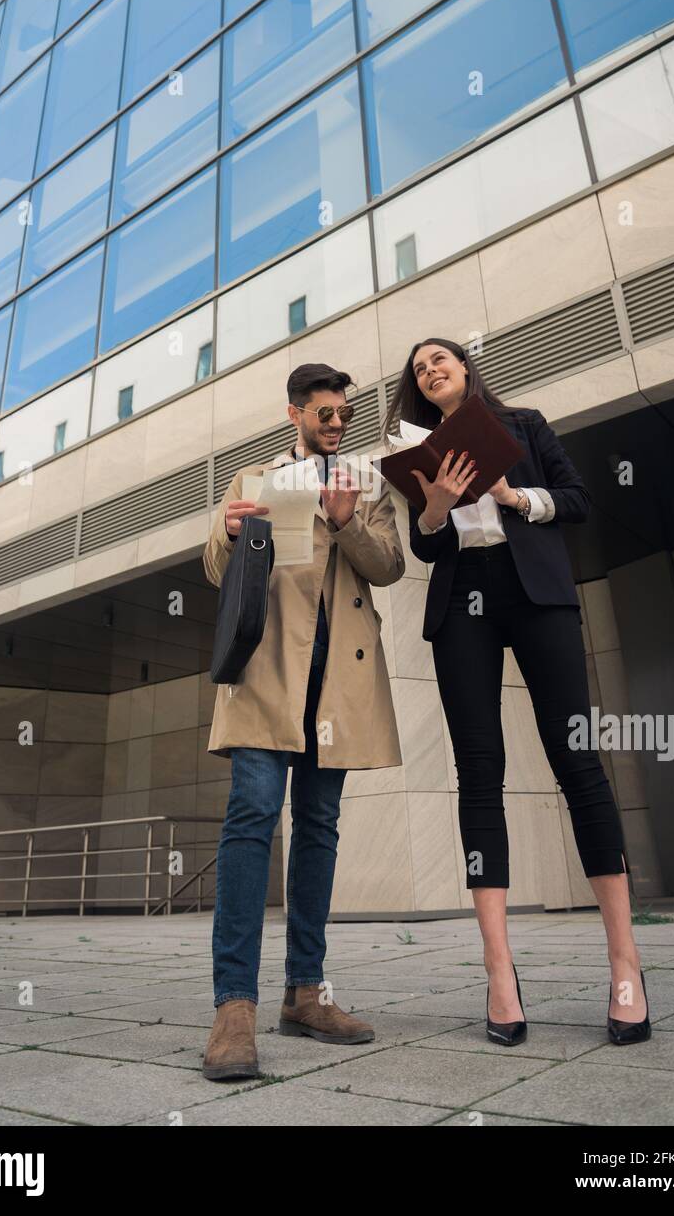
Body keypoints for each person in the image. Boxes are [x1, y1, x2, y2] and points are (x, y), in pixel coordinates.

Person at [388, 337, 650, 1048]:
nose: (429, 370)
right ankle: (498, 972)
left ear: (466, 369)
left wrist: (511, 495)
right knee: (478, 772)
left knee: (579, 764)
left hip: (535, 592)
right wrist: (435, 507)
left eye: (438, 359)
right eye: (417, 368)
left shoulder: (525, 425)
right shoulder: (414, 451)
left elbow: (577, 500)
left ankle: (624, 964)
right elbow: (425, 548)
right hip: (462, 603)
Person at [201, 363, 405, 1080]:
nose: (335, 421)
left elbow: (388, 567)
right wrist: (227, 534)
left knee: (318, 827)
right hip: (266, 673)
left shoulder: (368, 483)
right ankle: (234, 1009)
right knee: (252, 813)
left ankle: (306, 993)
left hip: (337, 681)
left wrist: (348, 524)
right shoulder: (252, 479)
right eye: (323, 411)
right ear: (294, 414)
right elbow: (212, 566)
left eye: (342, 412)